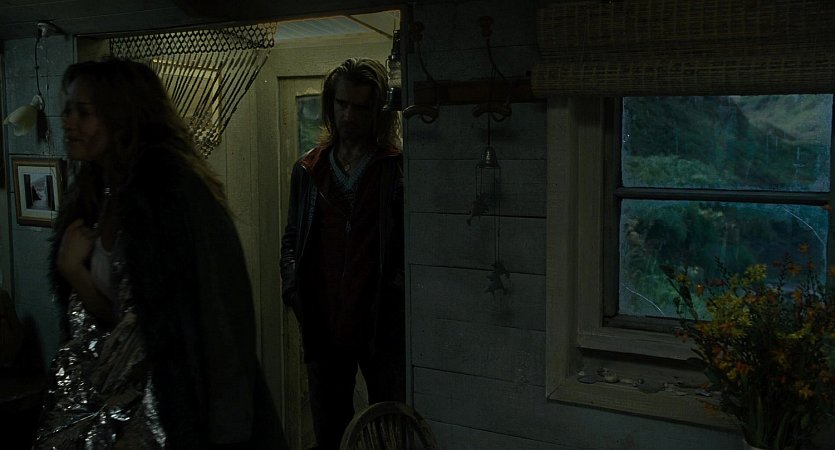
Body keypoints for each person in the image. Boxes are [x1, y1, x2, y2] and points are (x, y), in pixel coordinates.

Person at [34, 58, 283, 449]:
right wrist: (74, 274)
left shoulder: (174, 194)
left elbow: (220, 315)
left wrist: (229, 426)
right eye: (67, 110)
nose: (68, 123)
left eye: (83, 112)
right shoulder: (91, 194)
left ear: (122, 117)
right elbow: (119, 324)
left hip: (167, 408)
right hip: (101, 401)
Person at [279, 57, 405, 450]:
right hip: (323, 322)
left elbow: (405, 245)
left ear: (377, 111)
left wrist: (395, 295)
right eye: (342, 104)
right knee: (330, 431)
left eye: (360, 107)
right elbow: (292, 239)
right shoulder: (309, 169)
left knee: (387, 428)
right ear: (330, 104)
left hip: (378, 324)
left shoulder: (394, 168)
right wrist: (294, 292)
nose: (348, 116)